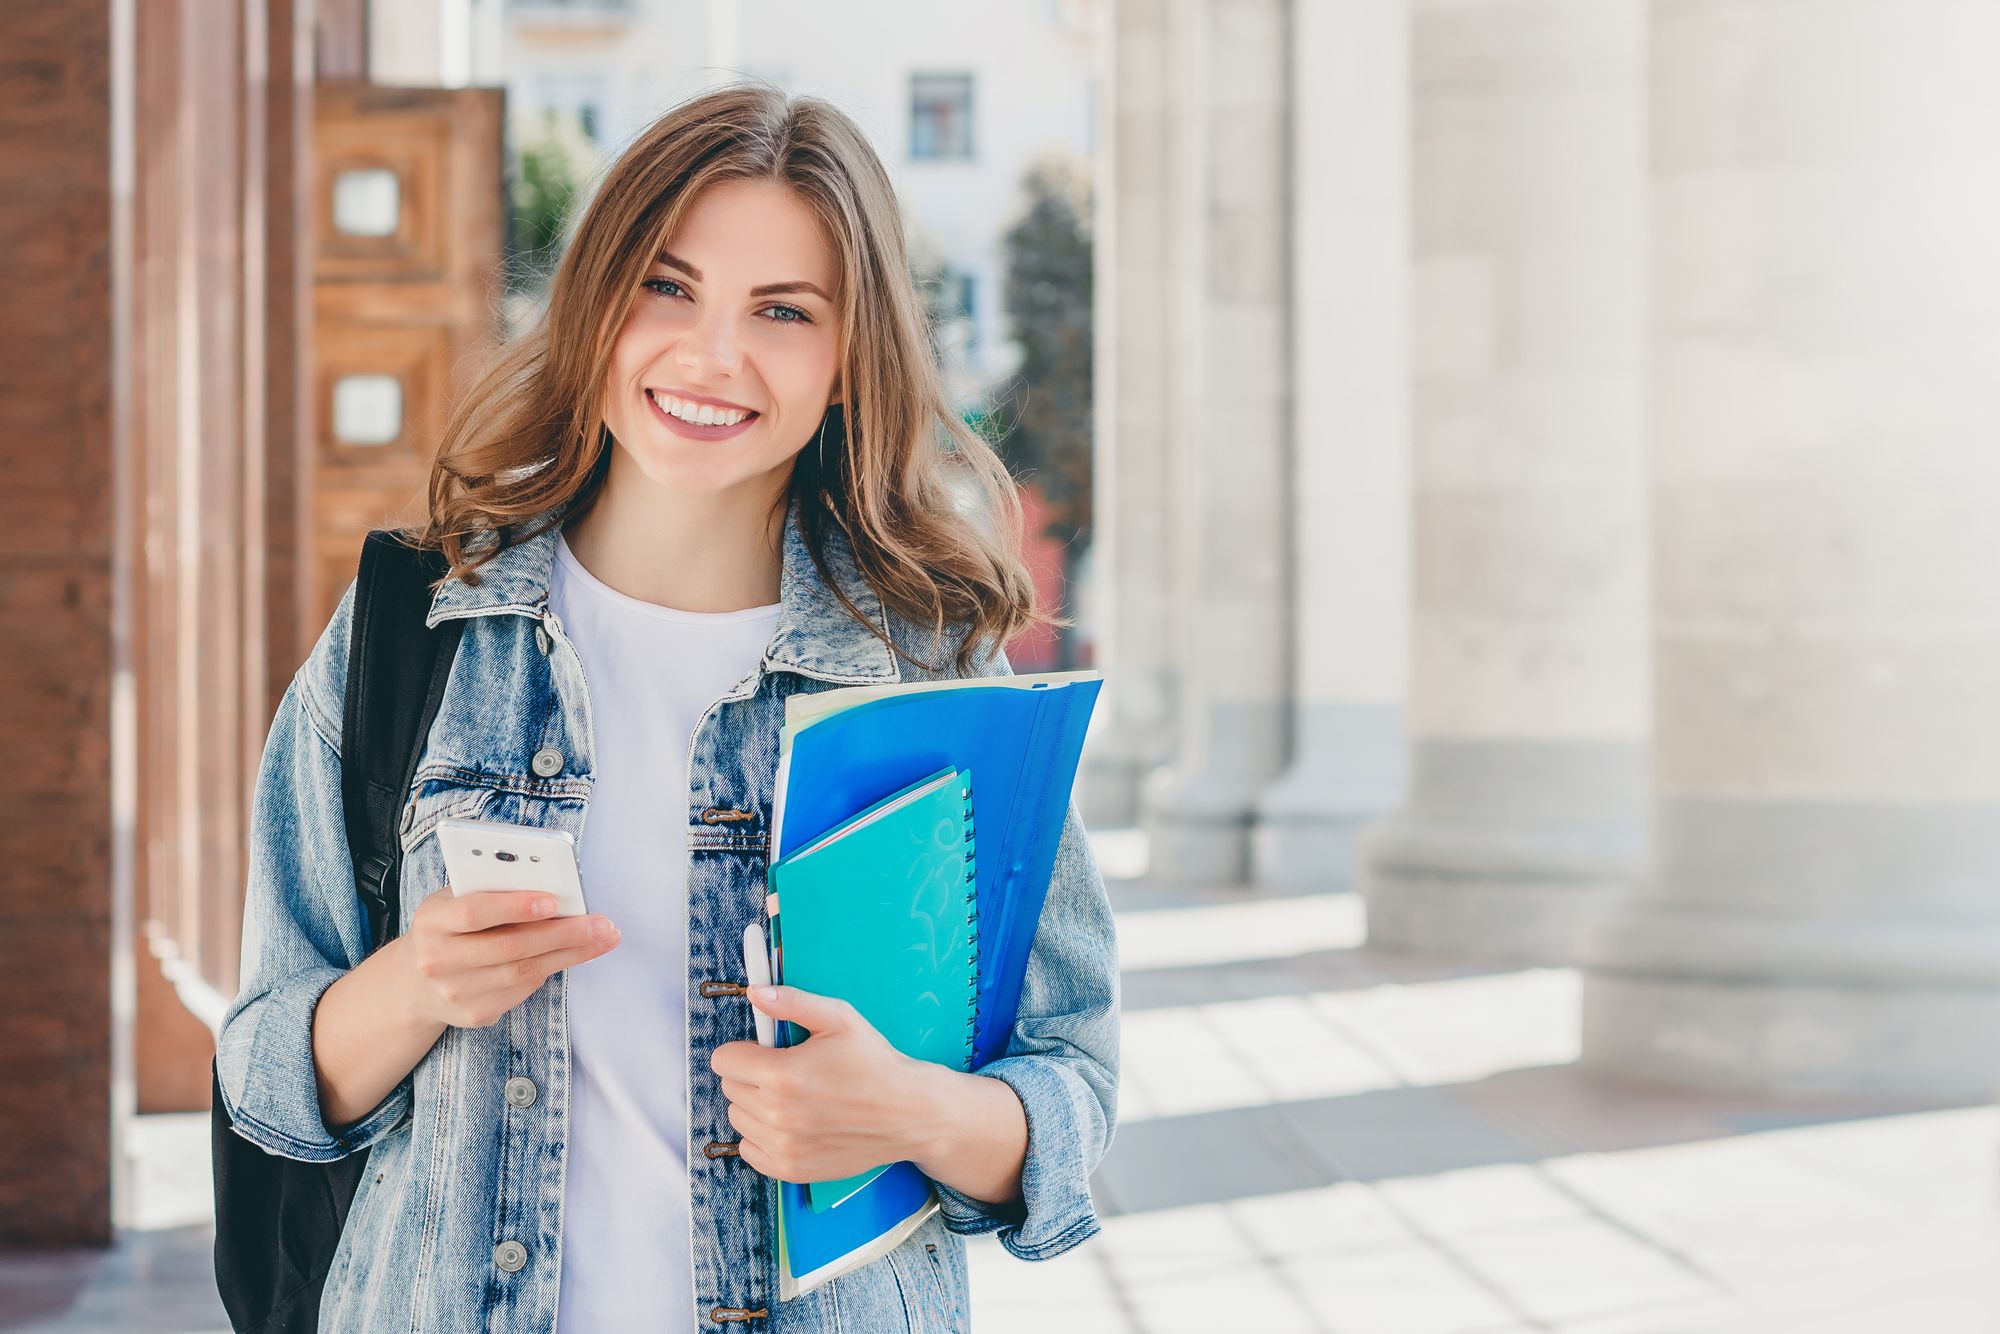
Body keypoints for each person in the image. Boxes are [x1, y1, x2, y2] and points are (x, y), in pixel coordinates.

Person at [213, 81, 1119, 1332]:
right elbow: (262, 1063)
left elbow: (1069, 1081)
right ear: (596, 302)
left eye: (783, 310)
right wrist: (413, 982)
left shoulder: (933, 668)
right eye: (667, 285)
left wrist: (908, 1111)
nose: (711, 354)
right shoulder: (416, 631)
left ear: (850, 358)